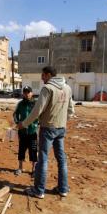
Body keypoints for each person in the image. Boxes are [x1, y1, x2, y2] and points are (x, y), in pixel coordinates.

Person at [18, 66, 74, 199]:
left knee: (43, 158)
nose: (42, 78)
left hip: (48, 128)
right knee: (61, 159)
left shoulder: (47, 88)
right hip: (61, 128)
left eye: (43, 75)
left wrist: (24, 124)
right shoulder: (67, 88)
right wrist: (62, 121)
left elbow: (37, 111)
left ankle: (38, 190)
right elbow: (71, 110)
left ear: (48, 75)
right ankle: (63, 189)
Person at [13, 86, 38, 176]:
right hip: (22, 131)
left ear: (31, 93)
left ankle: (34, 169)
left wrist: (36, 124)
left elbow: (40, 115)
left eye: (28, 92)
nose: (27, 94)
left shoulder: (36, 104)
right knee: (21, 150)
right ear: (23, 93)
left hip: (32, 131)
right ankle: (20, 168)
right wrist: (18, 122)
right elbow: (15, 114)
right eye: (25, 92)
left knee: (33, 150)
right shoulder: (20, 104)